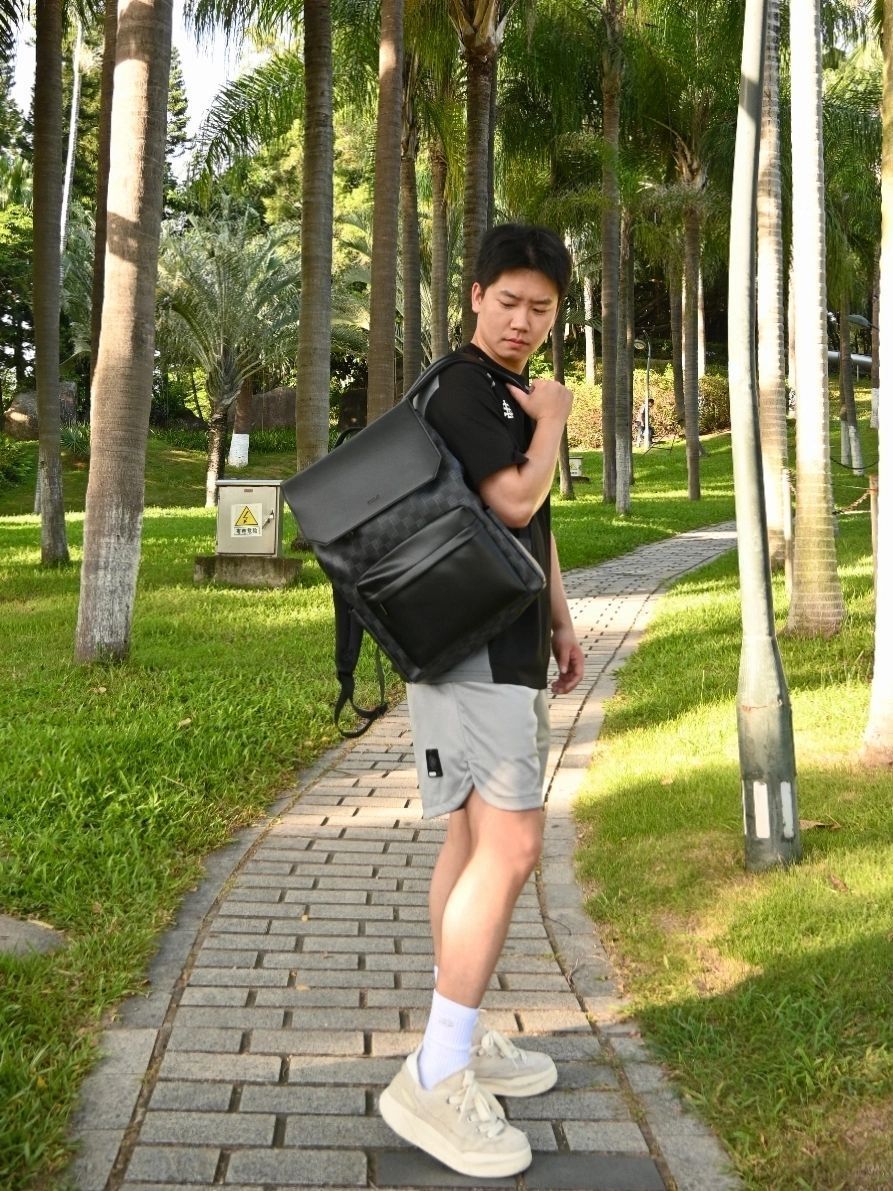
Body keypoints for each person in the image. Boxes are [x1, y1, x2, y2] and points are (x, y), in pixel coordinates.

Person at [378, 224, 585, 1179]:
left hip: (500, 641)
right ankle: (436, 1070)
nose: (522, 321)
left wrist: (561, 619)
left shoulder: (507, 389)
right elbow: (512, 499)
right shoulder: (465, 386)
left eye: (541, 308)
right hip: (470, 652)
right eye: (508, 301)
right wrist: (555, 417)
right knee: (512, 845)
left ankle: (456, 1033)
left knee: (470, 842)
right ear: (473, 295)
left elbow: (535, 529)